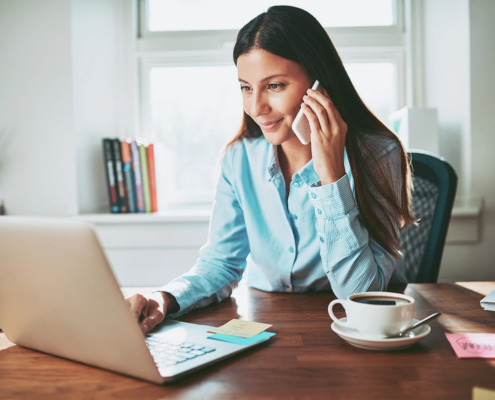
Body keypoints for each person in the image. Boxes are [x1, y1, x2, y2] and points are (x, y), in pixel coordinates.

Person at [126, 5, 414, 334]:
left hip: (352, 333)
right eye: (246, 88)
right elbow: (221, 263)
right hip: (265, 327)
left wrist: (332, 177)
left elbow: (360, 295)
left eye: (275, 86)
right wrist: (164, 299)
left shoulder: (376, 154)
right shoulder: (239, 158)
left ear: (319, 84)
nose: (256, 107)